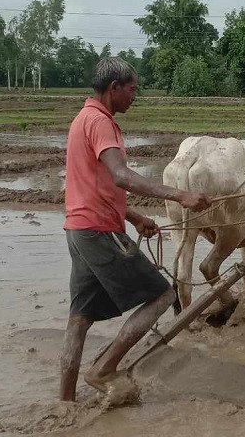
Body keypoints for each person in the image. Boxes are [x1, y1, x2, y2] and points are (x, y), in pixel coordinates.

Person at [59, 57, 211, 402]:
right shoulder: (100, 122)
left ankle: (65, 402)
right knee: (163, 295)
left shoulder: (82, 119)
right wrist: (181, 194)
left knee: (80, 319)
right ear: (114, 88)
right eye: (132, 89)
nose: (134, 96)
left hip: (80, 230)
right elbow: (121, 176)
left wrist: (133, 216)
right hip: (99, 232)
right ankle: (104, 369)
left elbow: (93, 185)